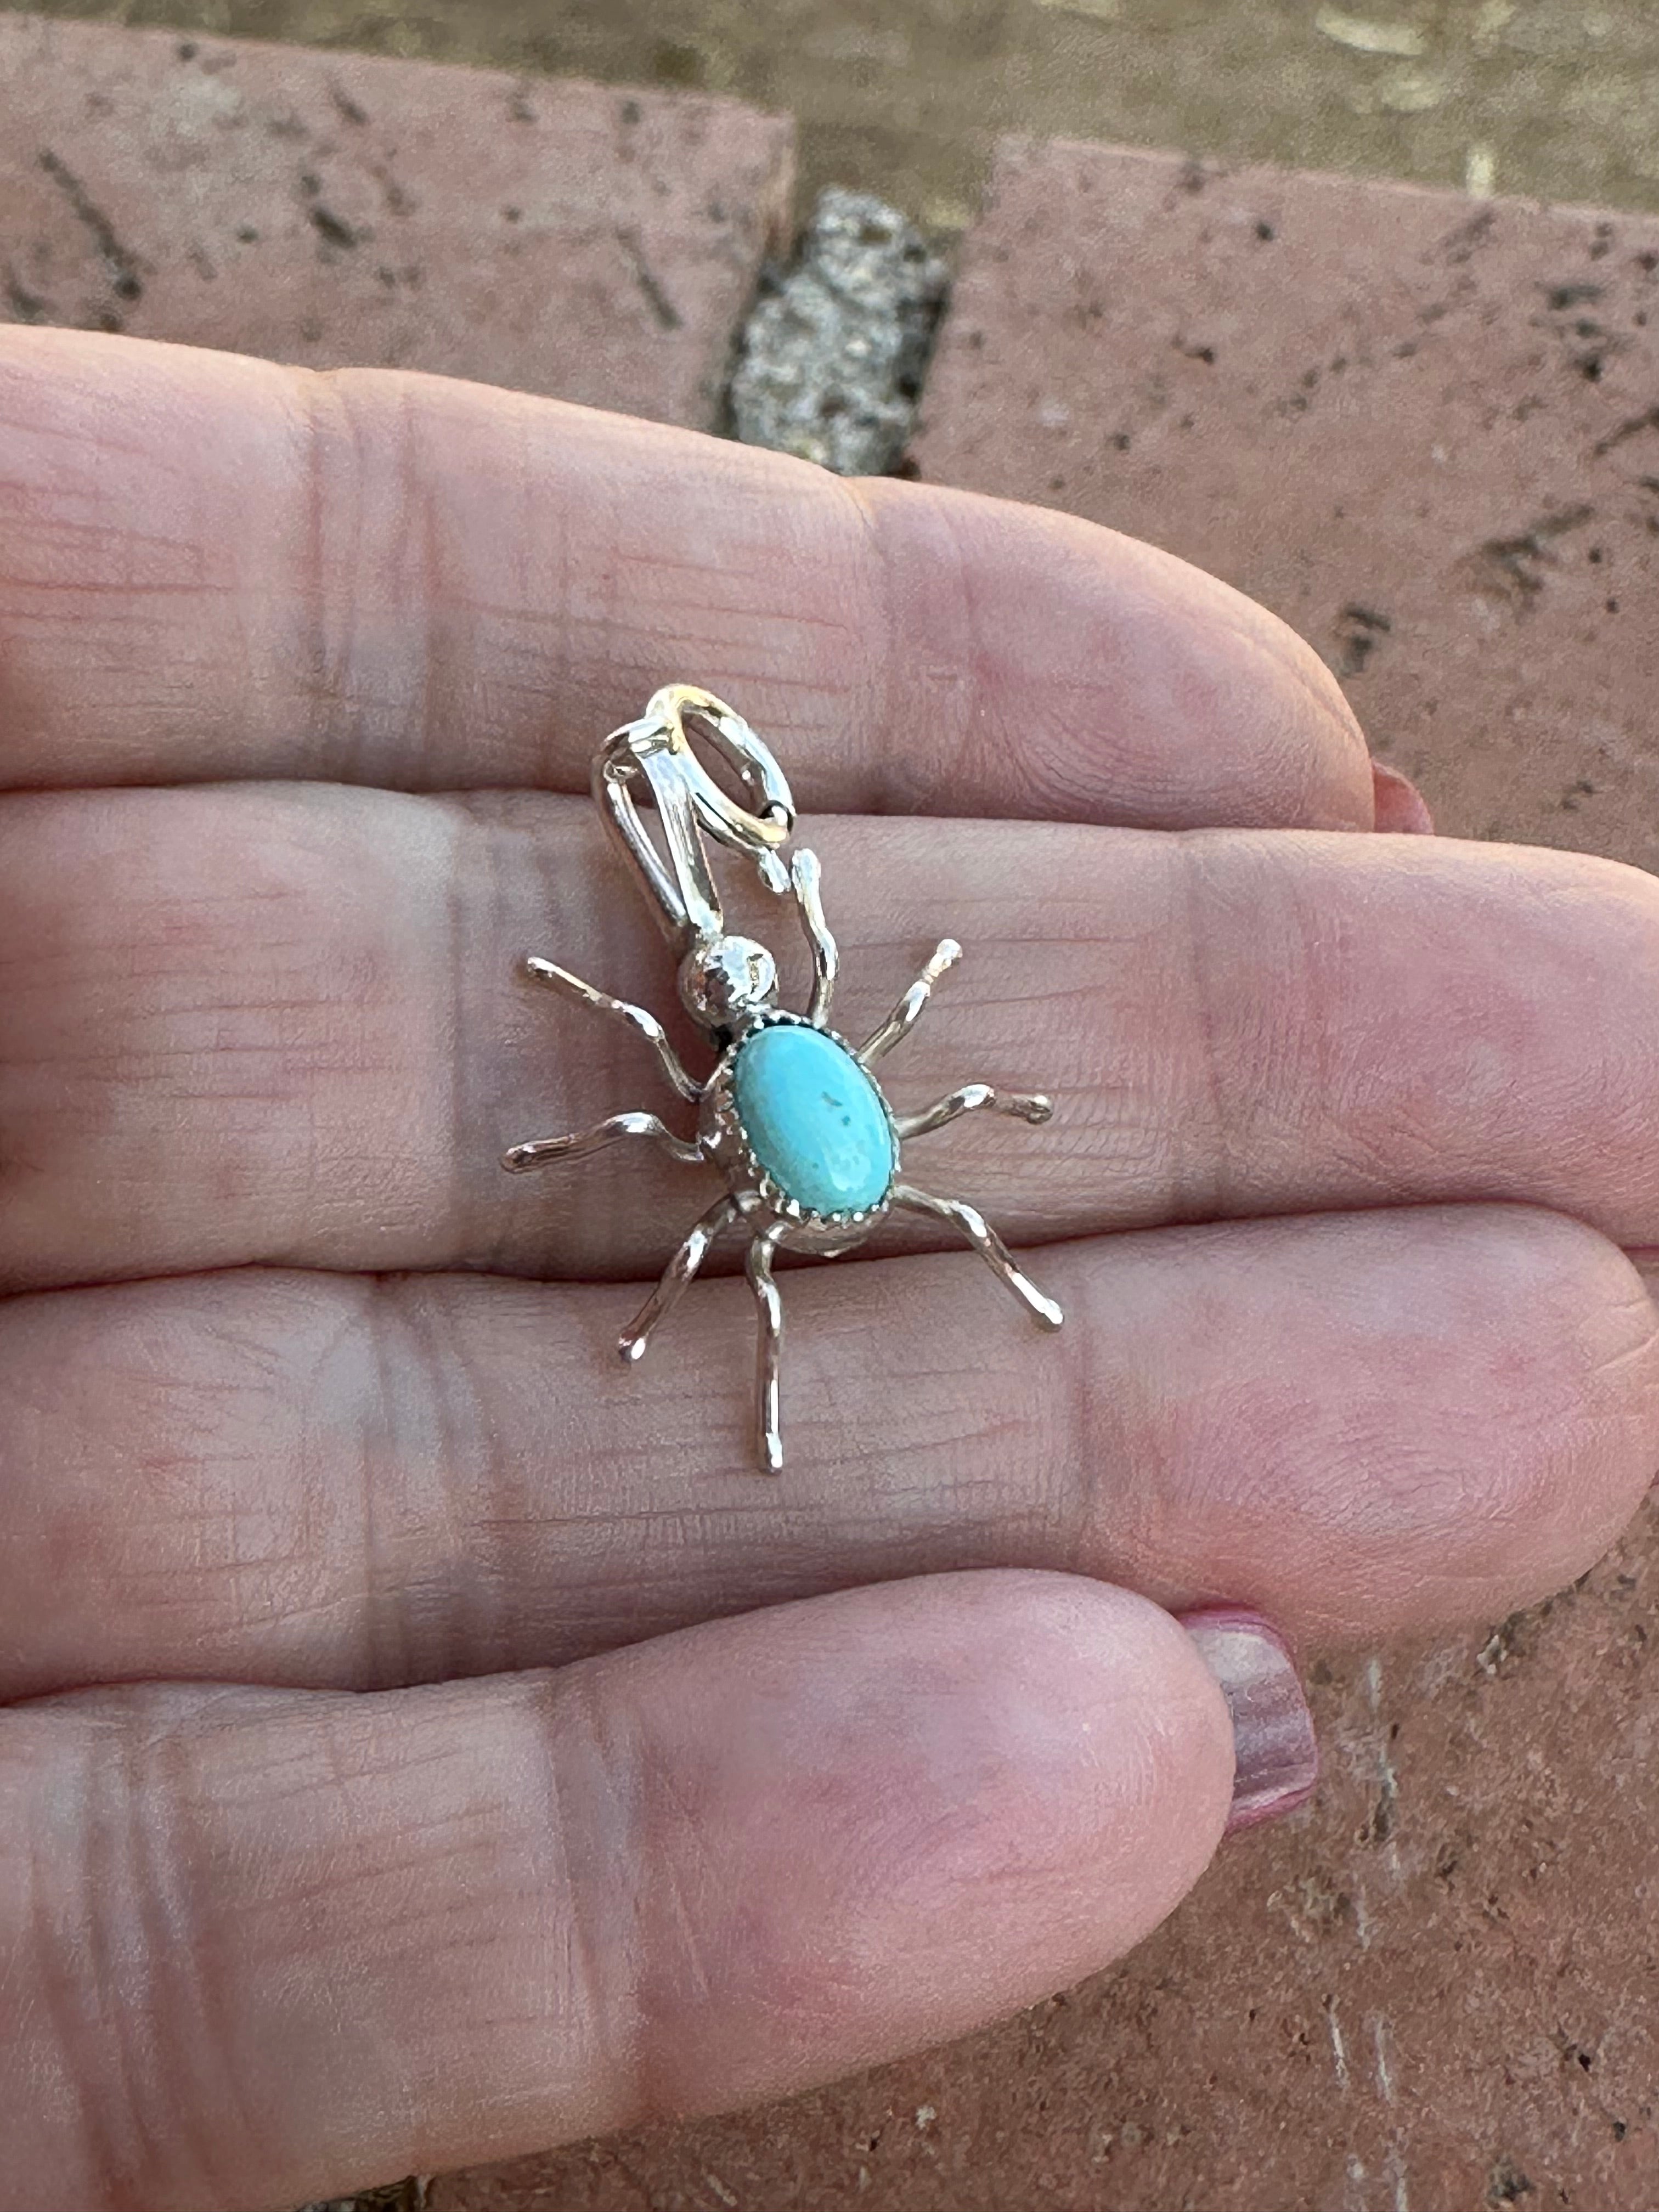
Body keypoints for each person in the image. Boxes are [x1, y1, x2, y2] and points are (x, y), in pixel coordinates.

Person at [2, 324, 1654, 2212]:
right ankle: (892, 1296)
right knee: (801, 1233)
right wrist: (629, 1020)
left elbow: (723, 1108)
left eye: (727, 984)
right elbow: (663, 1120)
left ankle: (902, 1290)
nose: (722, 991)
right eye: (706, 993)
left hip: (830, 1160)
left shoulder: (773, 1041)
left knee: (856, 1207)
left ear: (760, 988)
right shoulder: (723, 1058)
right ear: (715, 1010)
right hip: (818, 1173)